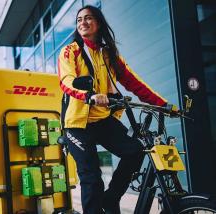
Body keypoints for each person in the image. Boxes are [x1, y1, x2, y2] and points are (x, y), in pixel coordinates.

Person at [58, 5, 173, 214]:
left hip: (102, 119)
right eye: (79, 20)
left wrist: (164, 105)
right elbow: (66, 81)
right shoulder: (70, 51)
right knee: (91, 178)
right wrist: (89, 96)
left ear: (99, 23)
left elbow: (134, 83)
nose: (82, 22)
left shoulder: (109, 54)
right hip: (77, 124)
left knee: (135, 151)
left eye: (88, 18)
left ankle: (111, 199)